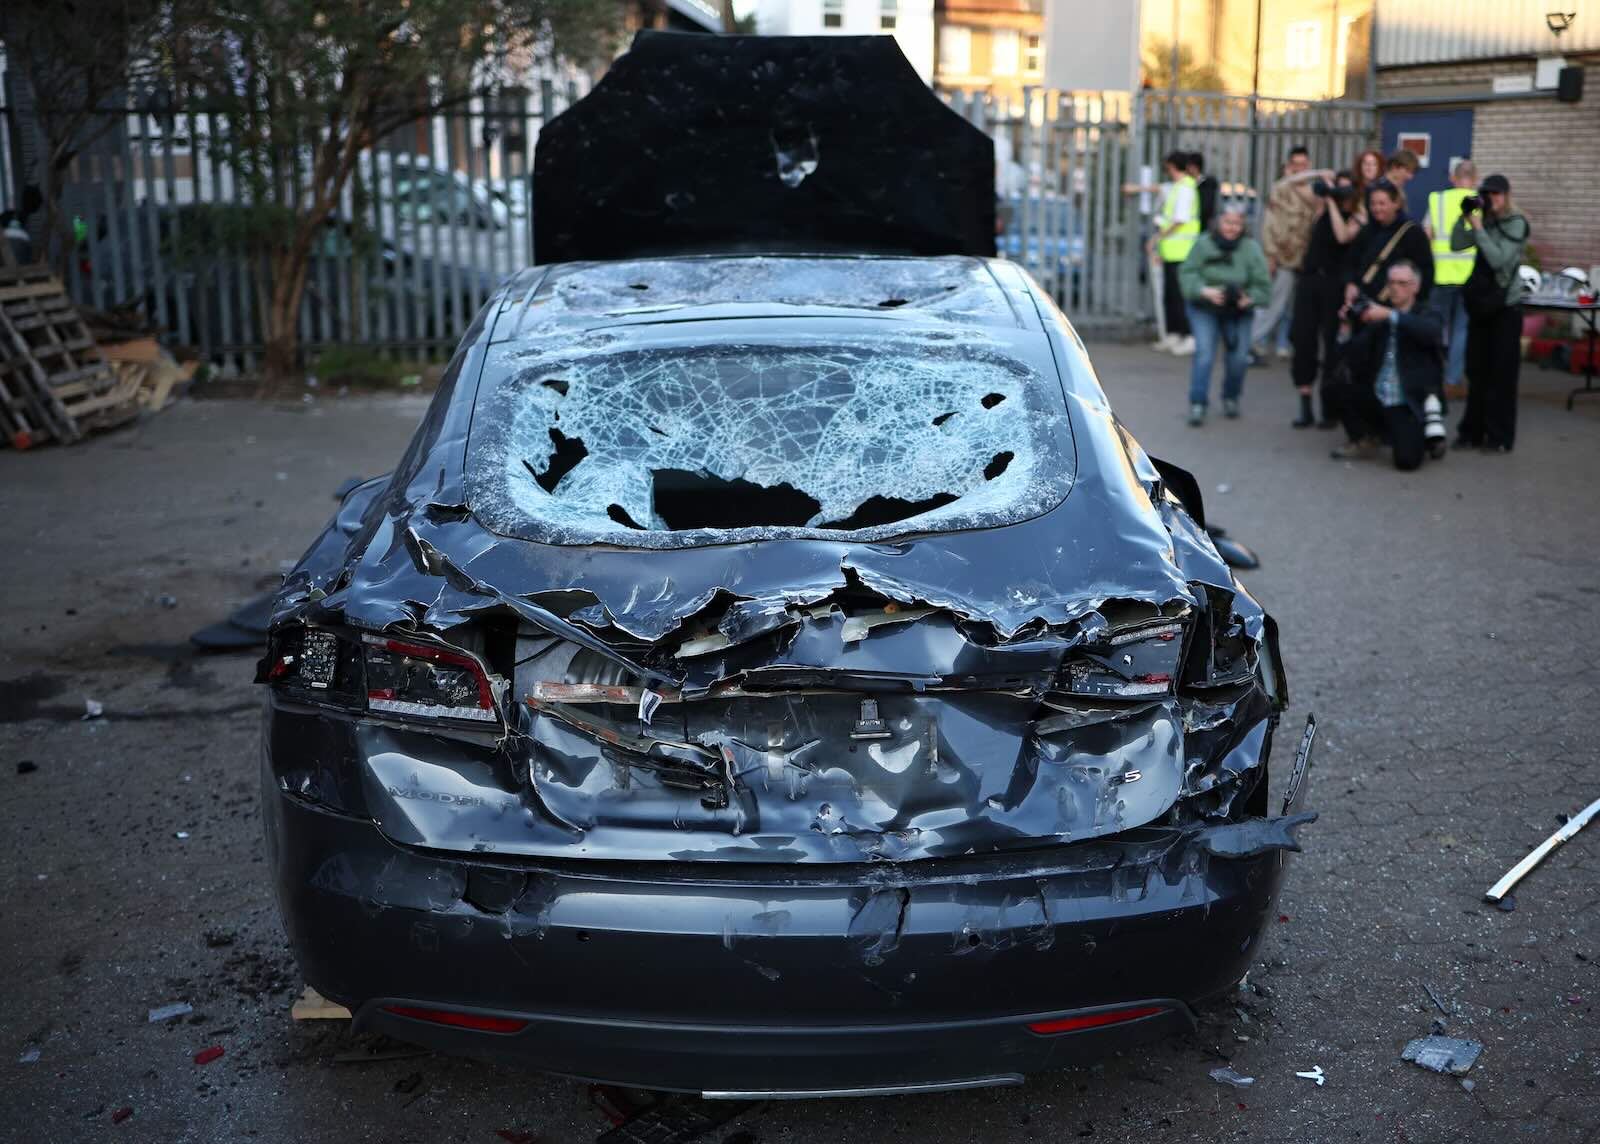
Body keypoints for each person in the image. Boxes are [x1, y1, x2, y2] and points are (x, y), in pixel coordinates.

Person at [1329, 259, 1447, 470]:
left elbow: (1431, 333)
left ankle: (1429, 435)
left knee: (1406, 462)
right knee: (1337, 381)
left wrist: (1391, 316)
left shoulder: (1426, 312)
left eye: (1402, 283)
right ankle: (1364, 437)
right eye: (1391, 282)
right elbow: (1351, 355)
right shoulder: (1379, 316)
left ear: (1415, 287)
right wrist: (1346, 327)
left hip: (1407, 400)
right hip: (1379, 396)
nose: (1395, 288)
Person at [1453, 173, 1531, 453]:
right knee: (1476, 371)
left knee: (1502, 374)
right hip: (1482, 306)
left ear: (1507, 195)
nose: (1492, 199)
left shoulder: (1517, 223)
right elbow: (1457, 243)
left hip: (1506, 310)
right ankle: (1472, 432)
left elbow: (1498, 259)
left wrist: (1479, 227)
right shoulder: (1483, 218)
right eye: (1488, 194)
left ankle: (1500, 437)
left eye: (1497, 194)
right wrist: (1466, 217)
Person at [1178, 207, 1270, 426]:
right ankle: (1198, 403)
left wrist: (1249, 298)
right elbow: (1187, 273)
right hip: (1204, 306)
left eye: (1237, 223)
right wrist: (1204, 290)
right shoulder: (1203, 244)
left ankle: (1231, 396)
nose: (1231, 227)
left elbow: (1263, 286)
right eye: (1227, 222)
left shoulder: (1251, 248)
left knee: (1239, 357)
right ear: (1218, 223)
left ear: (1243, 226)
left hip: (1238, 310)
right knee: (1205, 353)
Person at [1290, 170, 1359, 428]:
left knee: (1331, 346)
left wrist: (1331, 202)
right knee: (1303, 339)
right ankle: (1305, 405)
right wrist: (1319, 175)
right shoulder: (1319, 208)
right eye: (1336, 188)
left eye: (1344, 189)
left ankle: (1329, 409)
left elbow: (1342, 236)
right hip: (1309, 281)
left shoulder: (1356, 216)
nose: (1338, 193)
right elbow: (1290, 183)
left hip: (1334, 285)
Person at [1423, 160, 1478, 397]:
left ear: (1452, 178)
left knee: (1434, 328)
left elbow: (1427, 233)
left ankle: (1428, 376)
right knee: (1461, 331)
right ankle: (1452, 381)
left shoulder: (1437, 199)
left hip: (1441, 274)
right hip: (1469, 278)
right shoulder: (1479, 201)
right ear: (1475, 179)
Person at [1254, 146, 1315, 361]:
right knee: (1272, 300)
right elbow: (1269, 224)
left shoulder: (1311, 191)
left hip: (1303, 257)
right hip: (1282, 256)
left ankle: (1282, 343)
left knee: (1292, 305)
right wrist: (1270, 255)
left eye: (1303, 165)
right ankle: (1257, 341)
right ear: (1289, 165)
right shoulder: (1280, 189)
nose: (1300, 169)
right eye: (1295, 164)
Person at [1148, 151, 1199, 355]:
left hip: (1183, 252)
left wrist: (1157, 238)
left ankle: (1188, 337)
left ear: (1170, 166)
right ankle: (1174, 335)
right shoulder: (1180, 187)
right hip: (1172, 251)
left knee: (1179, 296)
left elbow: (1180, 220)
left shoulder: (1185, 188)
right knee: (1171, 295)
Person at [1188, 151, 1219, 232]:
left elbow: (1206, 207)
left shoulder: (1208, 183)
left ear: (1194, 167)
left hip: (1203, 226)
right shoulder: (1187, 184)